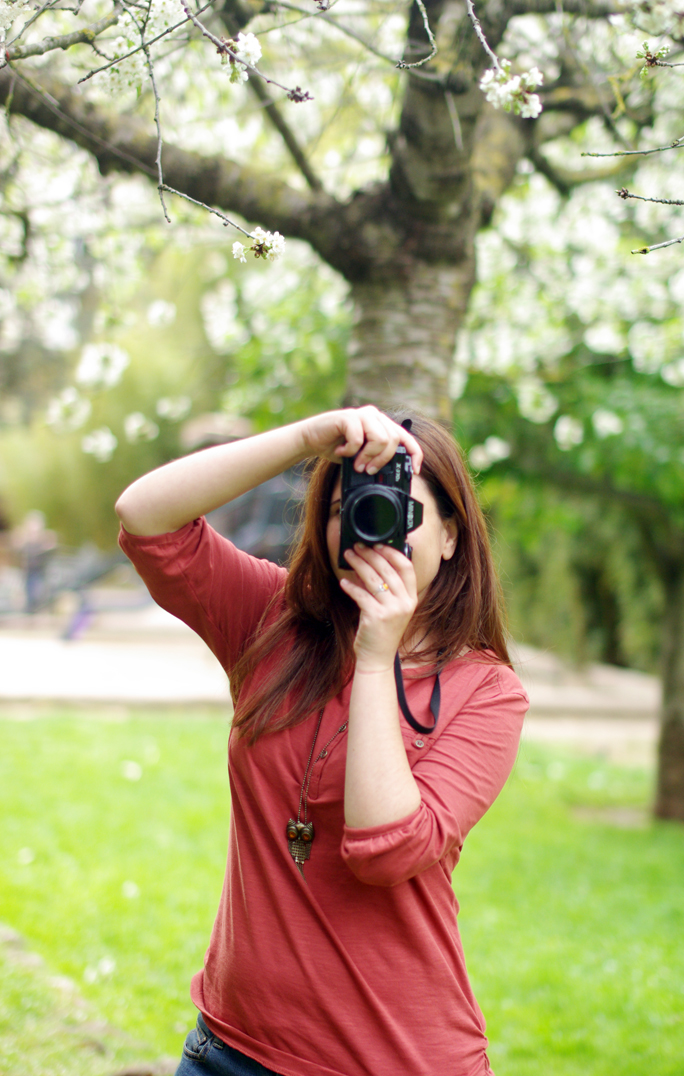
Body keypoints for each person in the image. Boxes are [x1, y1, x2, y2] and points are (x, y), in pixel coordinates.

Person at [115, 405, 529, 1076]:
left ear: (451, 537)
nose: (369, 530)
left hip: (390, 1060)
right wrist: (310, 437)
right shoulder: (272, 619)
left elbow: (387, 848)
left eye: (402, 511)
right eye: (349, 508)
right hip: (230, 1049)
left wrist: (376, 656)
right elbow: (145, 516)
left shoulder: (487, 693)